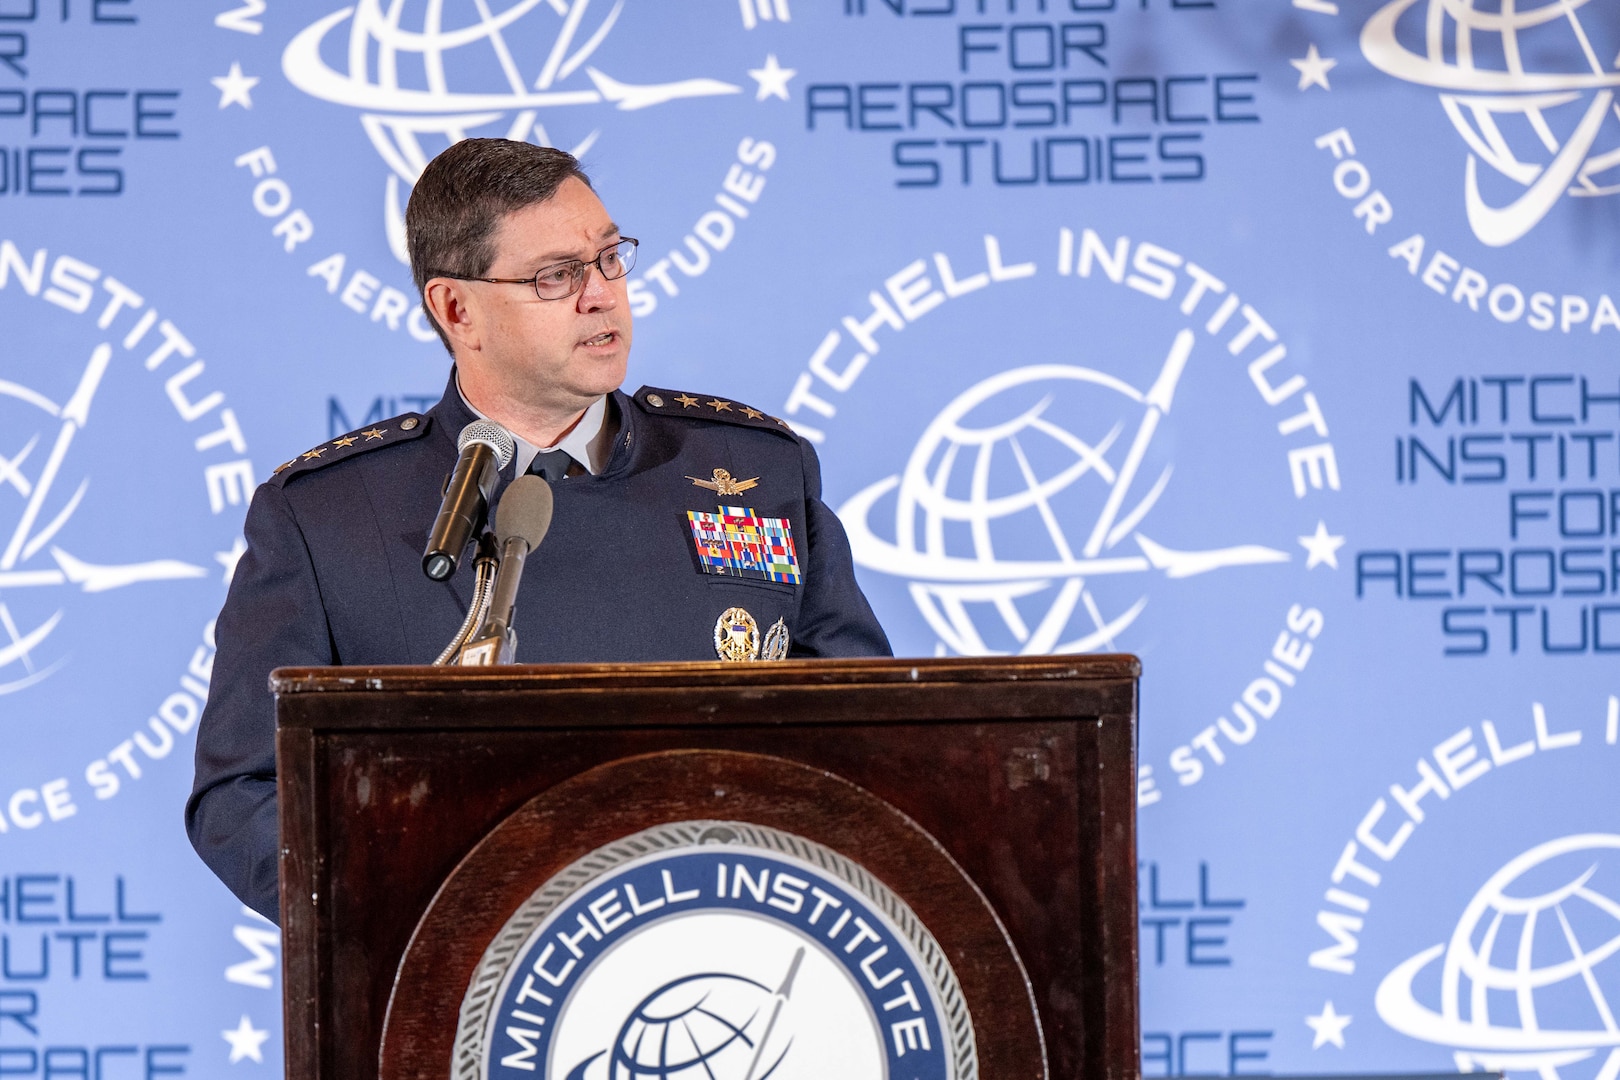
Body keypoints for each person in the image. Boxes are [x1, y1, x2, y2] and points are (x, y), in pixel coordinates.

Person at [186, 139, 891, 924]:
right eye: (555, 276)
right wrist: (407, 917)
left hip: (726, 956)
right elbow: (243, 796)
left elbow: (868, 738)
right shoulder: (328, 516)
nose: (600, 295)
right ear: (456, 310)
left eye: (609, 257)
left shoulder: (755, 470)